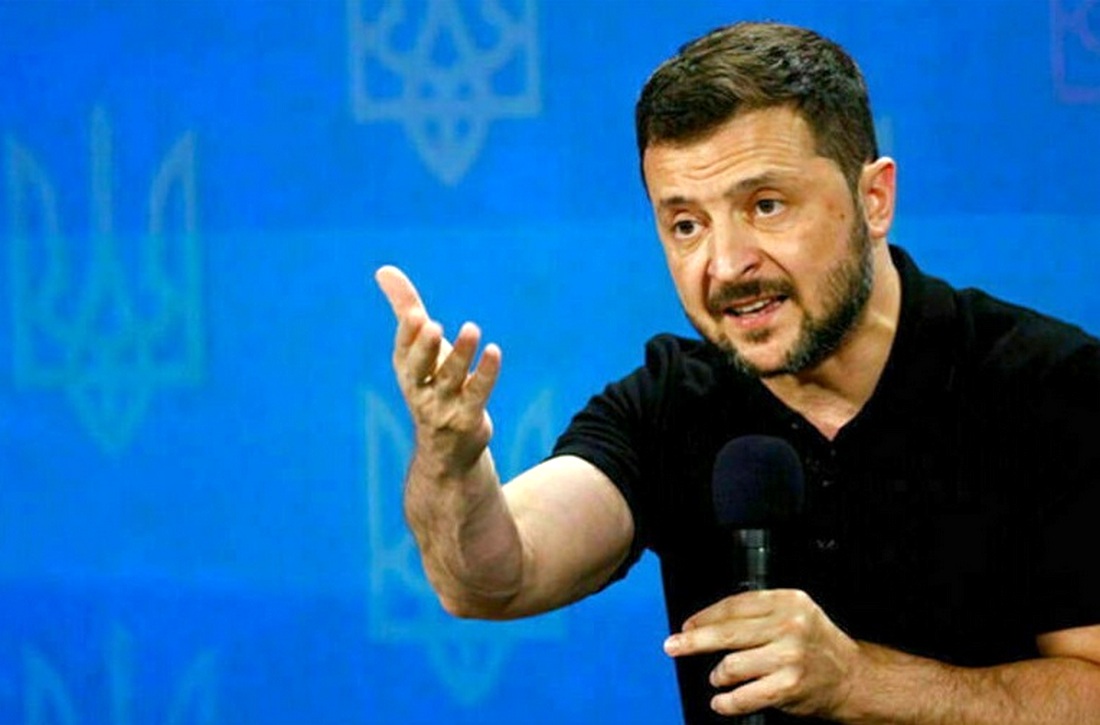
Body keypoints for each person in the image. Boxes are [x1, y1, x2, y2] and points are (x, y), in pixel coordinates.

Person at [375, 21, 1100, 724]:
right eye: (686, 224)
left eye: (765, 206)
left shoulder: (1049, 385)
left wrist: (862, 680)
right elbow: (492, 578)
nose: (726, 265)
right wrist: (450, 461)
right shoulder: (670, 401)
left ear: (873, 199)